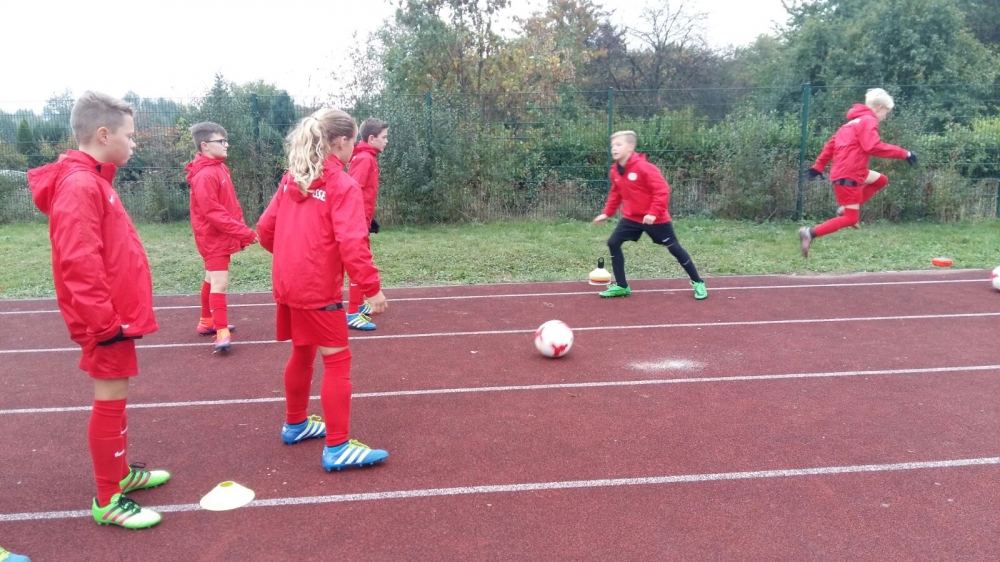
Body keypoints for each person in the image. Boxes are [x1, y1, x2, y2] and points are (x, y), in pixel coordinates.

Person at [28, 91, 167, 529]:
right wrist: (104, 323)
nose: (134, 143)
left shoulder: (94, 180)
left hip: (113, 313)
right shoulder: (81, 185)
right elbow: (78, 261)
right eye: (130, 135)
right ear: (103, 134)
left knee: (117, 394)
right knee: (109, 398)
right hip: (104, 319)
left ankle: (120, 474)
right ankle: (108, 499)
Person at [257, 109, 390, 471]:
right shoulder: (341, 185)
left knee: (302, 352)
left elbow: (265, 229)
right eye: (352, 143)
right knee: (337, 361)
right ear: (342, 141)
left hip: (289, 283)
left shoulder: (293, 179)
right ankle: (337, 446)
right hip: (316, 287)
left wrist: (292, 257)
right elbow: (353, 242)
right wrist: (372, 288)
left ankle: (296, 424)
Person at [799, 88, 917, 257]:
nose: (885, 117)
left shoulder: (850, 124)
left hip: (850, 170)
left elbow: (830, 146)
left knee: (881, 180)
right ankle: (810, 233)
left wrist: (818, 167)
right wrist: (905, 154)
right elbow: (873, 146)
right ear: (879, 107)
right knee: (851, 218)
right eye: (886, 112)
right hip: (850, 174)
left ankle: (843, 208)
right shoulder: (869, 120)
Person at [593, 130, 708, 300]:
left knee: (674, 247)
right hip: (632, 218)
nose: (614, 149)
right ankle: (622, 286)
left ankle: (698, 282)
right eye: (612, 146)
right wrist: (607, 213)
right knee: (613, 242)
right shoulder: (615, 171)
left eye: (618, 145)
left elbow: (662, 190)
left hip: (656, 219)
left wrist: (653, 213)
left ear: (630, 147)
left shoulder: (644, 167)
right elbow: (616, 193)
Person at [185, 122, 257, 350]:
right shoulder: (205, 175)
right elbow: (214, 213)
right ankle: (222, 331)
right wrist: (244, 232)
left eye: (226, 141)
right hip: (212, 238)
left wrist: (240, 231)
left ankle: (207, 321)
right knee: (220, 282)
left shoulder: (219, 169)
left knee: (210, 278)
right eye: (221, 141)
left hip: (221, 235)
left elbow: (230, 206)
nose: (226, 145)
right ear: (205, 145)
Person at [344, 118, 389, 331]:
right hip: (355, 222)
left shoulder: (367, 157)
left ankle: (359, 304)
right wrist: (359, 220)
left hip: (360, 219)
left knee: (360, 263)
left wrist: (369, 219)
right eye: (384, 137)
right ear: (371, 138)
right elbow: (351, 190)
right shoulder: (364, 159)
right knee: (360, 264)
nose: (386, 141)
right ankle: (353, 312)